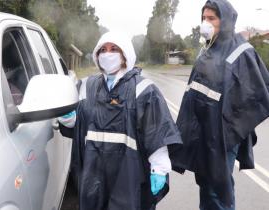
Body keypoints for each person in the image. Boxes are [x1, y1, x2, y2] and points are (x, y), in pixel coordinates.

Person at [59, 31, 182, 210]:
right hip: (93, 174)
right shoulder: (86, 86)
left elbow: (156, 130)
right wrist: (70, 120)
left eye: (114, 49)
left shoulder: (143, 90)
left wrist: (159, 166)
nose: (107, 54)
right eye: (103, 49)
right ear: (96, 55)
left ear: (125, 54)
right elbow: (80, 123)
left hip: (128, 174)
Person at [170, 0, 269, 210]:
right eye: (204, 18)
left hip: (224, 136)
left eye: (211, 18)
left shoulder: (242, 51)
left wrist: (228, 130)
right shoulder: (207, 50)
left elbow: (257, 95)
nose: (206, 23)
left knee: (218, 189)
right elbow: (193, 92)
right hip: (203, 133)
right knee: (205, 185)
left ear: (224, 21)